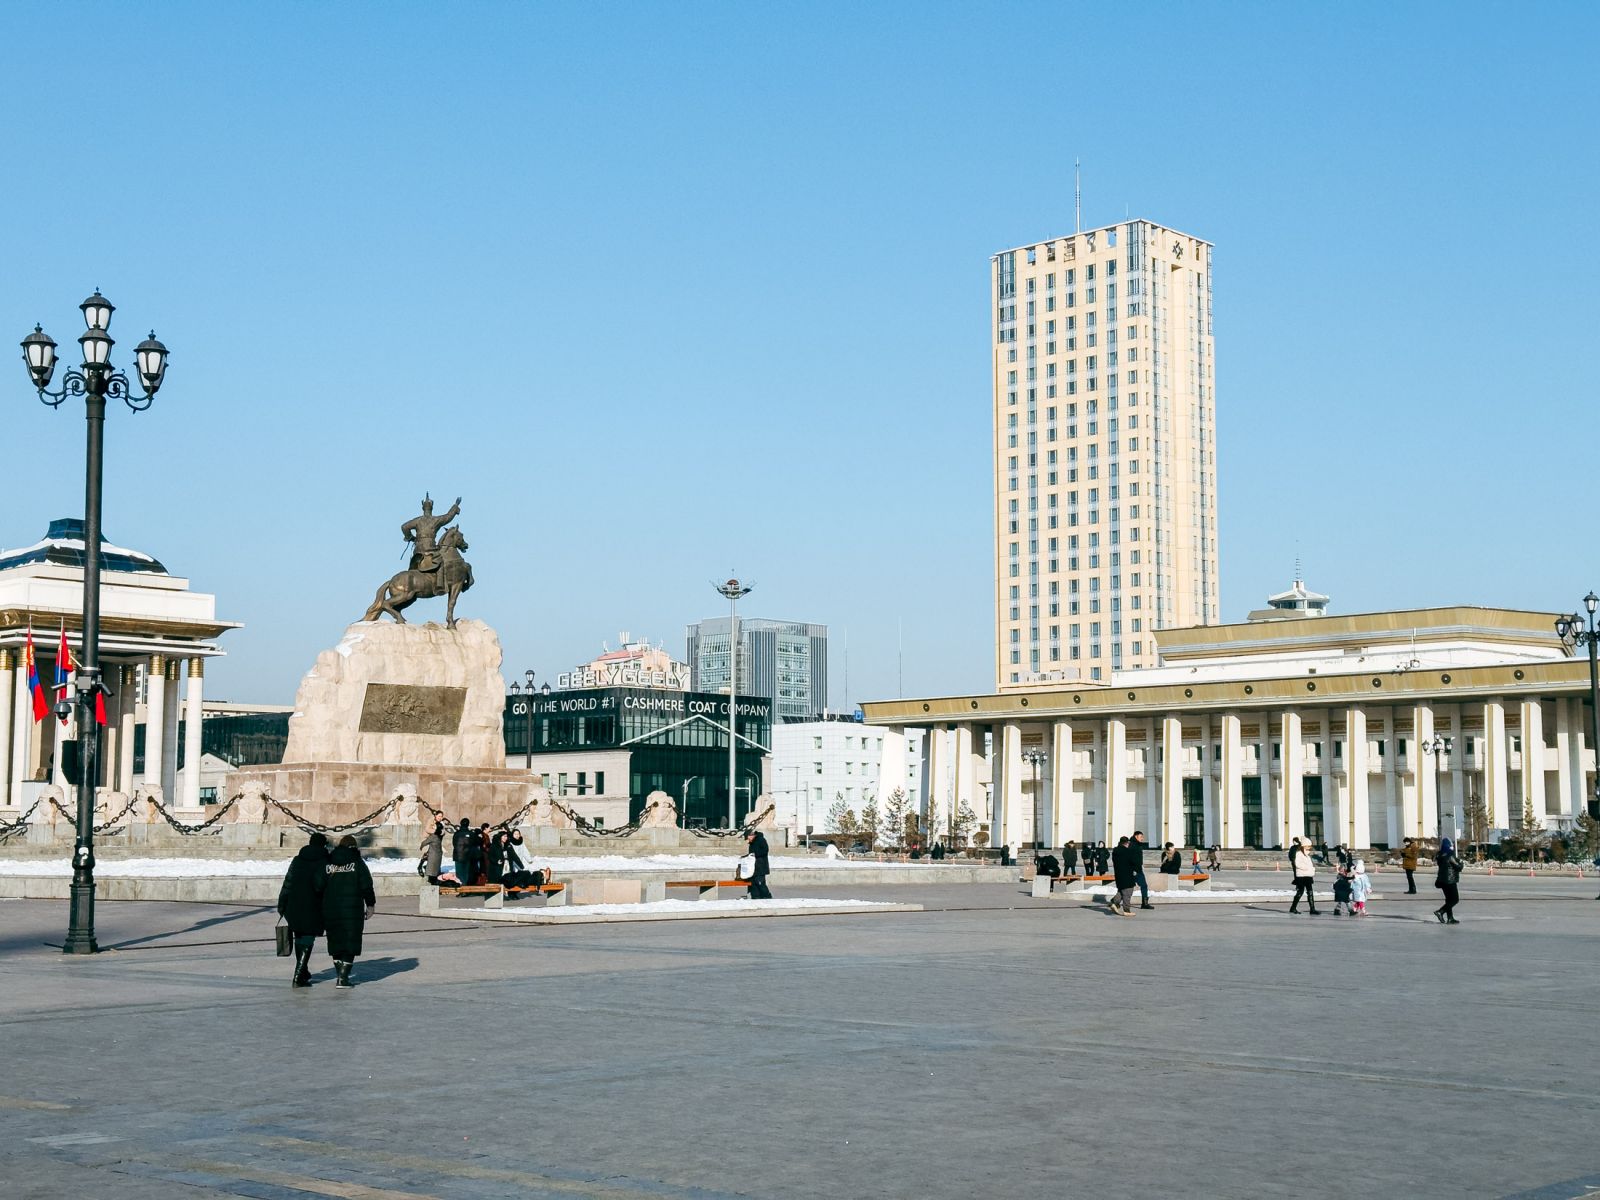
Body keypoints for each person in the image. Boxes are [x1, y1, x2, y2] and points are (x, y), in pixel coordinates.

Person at [322, 834, 376, 988]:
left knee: (335, 939)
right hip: (352, 909)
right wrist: (370, 905)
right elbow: (366, 885)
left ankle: (340, 973)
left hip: (331, 907)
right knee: (350, 940)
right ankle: (343, 978)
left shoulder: (328, 862)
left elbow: (318, 883)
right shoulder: (357, 863)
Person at [277, 832, 328, 988]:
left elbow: (288, 881)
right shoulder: (325, 861)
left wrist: (282, 903)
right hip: (313, 904)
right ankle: (298, 975)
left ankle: (303, 971)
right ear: (324, 845)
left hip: (294, 903)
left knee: (300, 936)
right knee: (307, 938)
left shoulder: (298, 859)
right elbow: (322, 885)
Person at [1434, 836, 1462, 924]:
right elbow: (1458, 867)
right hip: (1450, 881)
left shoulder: (1440, 855)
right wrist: (1461, 862)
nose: (1452, 847)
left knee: (1448, 900)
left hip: (1442, 881)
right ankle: (1441, 911)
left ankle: (1450, 918)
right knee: (1454, 900)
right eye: (1451, 845)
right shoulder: (1450, 855)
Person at [1289, 836, 1320, 915]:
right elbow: (1298, 864)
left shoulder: (1307, 855)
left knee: (1310, 892)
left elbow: (1310, 865)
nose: (1309, 847)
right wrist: (1308, 868)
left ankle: (1312, 909)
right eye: (1308, 846)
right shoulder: (1299, 853)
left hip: (1308, 875)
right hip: (1301, 876)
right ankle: (1293, 907)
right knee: (1300, 891)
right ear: (1303, 845)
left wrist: (1312, 869)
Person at [1110, 835, 1139, 916]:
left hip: (1119, 874)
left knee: (1122, 890)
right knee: (1128, 891)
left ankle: (1114, 903)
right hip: (1127, 874)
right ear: (1127, 843)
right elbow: (1133, 862)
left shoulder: (1115, 852)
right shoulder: (1128, 851)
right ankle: (1126, 910)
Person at [744, 827, 772, 899]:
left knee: (760, 883)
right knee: (753, 883)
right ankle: (756, 897)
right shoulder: (752, 843)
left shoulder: (761, 840)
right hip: (753, 867)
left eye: (747, 838)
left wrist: (755, 854)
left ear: (751, 835)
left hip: (761, 866)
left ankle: (766, 896)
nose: (748, 840)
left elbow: (765, 850)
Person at [1131, 830, 1152, 909]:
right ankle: (1115, 901)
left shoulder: (1138, 845)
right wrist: (1133, 869)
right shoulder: (1133, 845)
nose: (1142, 838)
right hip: (1134, 870)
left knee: (1143, 885)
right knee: (1128, 887)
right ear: (1136, 836)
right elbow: (1132, 858)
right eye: (1141, 837)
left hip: (1138, 868)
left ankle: (1145, 903)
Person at [420, 819, 444, 885]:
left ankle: (432, 886)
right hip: (439, 855)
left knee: (431, 872)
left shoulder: (433, 837)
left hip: (433, 855)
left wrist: (421, 847)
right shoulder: (440, 835)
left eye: (434, 826)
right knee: (435, 870)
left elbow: (424, 842)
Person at [450, 818, 472, 884]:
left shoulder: (457, 833)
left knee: (459, 873)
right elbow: (473, 843)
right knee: (466, 873)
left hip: (458, 856)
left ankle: (460, 886)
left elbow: (454, 843)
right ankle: (464, 887)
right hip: (467, 855)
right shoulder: (470, 833)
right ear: (468, 824)